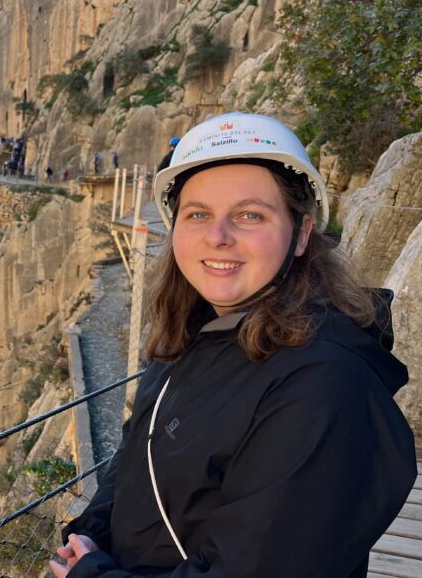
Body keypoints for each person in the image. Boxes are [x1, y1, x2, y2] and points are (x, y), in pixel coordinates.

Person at [51, 112, 416, 578]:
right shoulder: (199, 335)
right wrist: (93, 532)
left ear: (301, 234)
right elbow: (136, 454)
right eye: (198, 213)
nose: (218, 236)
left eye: (249, 215)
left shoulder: (325, 387)